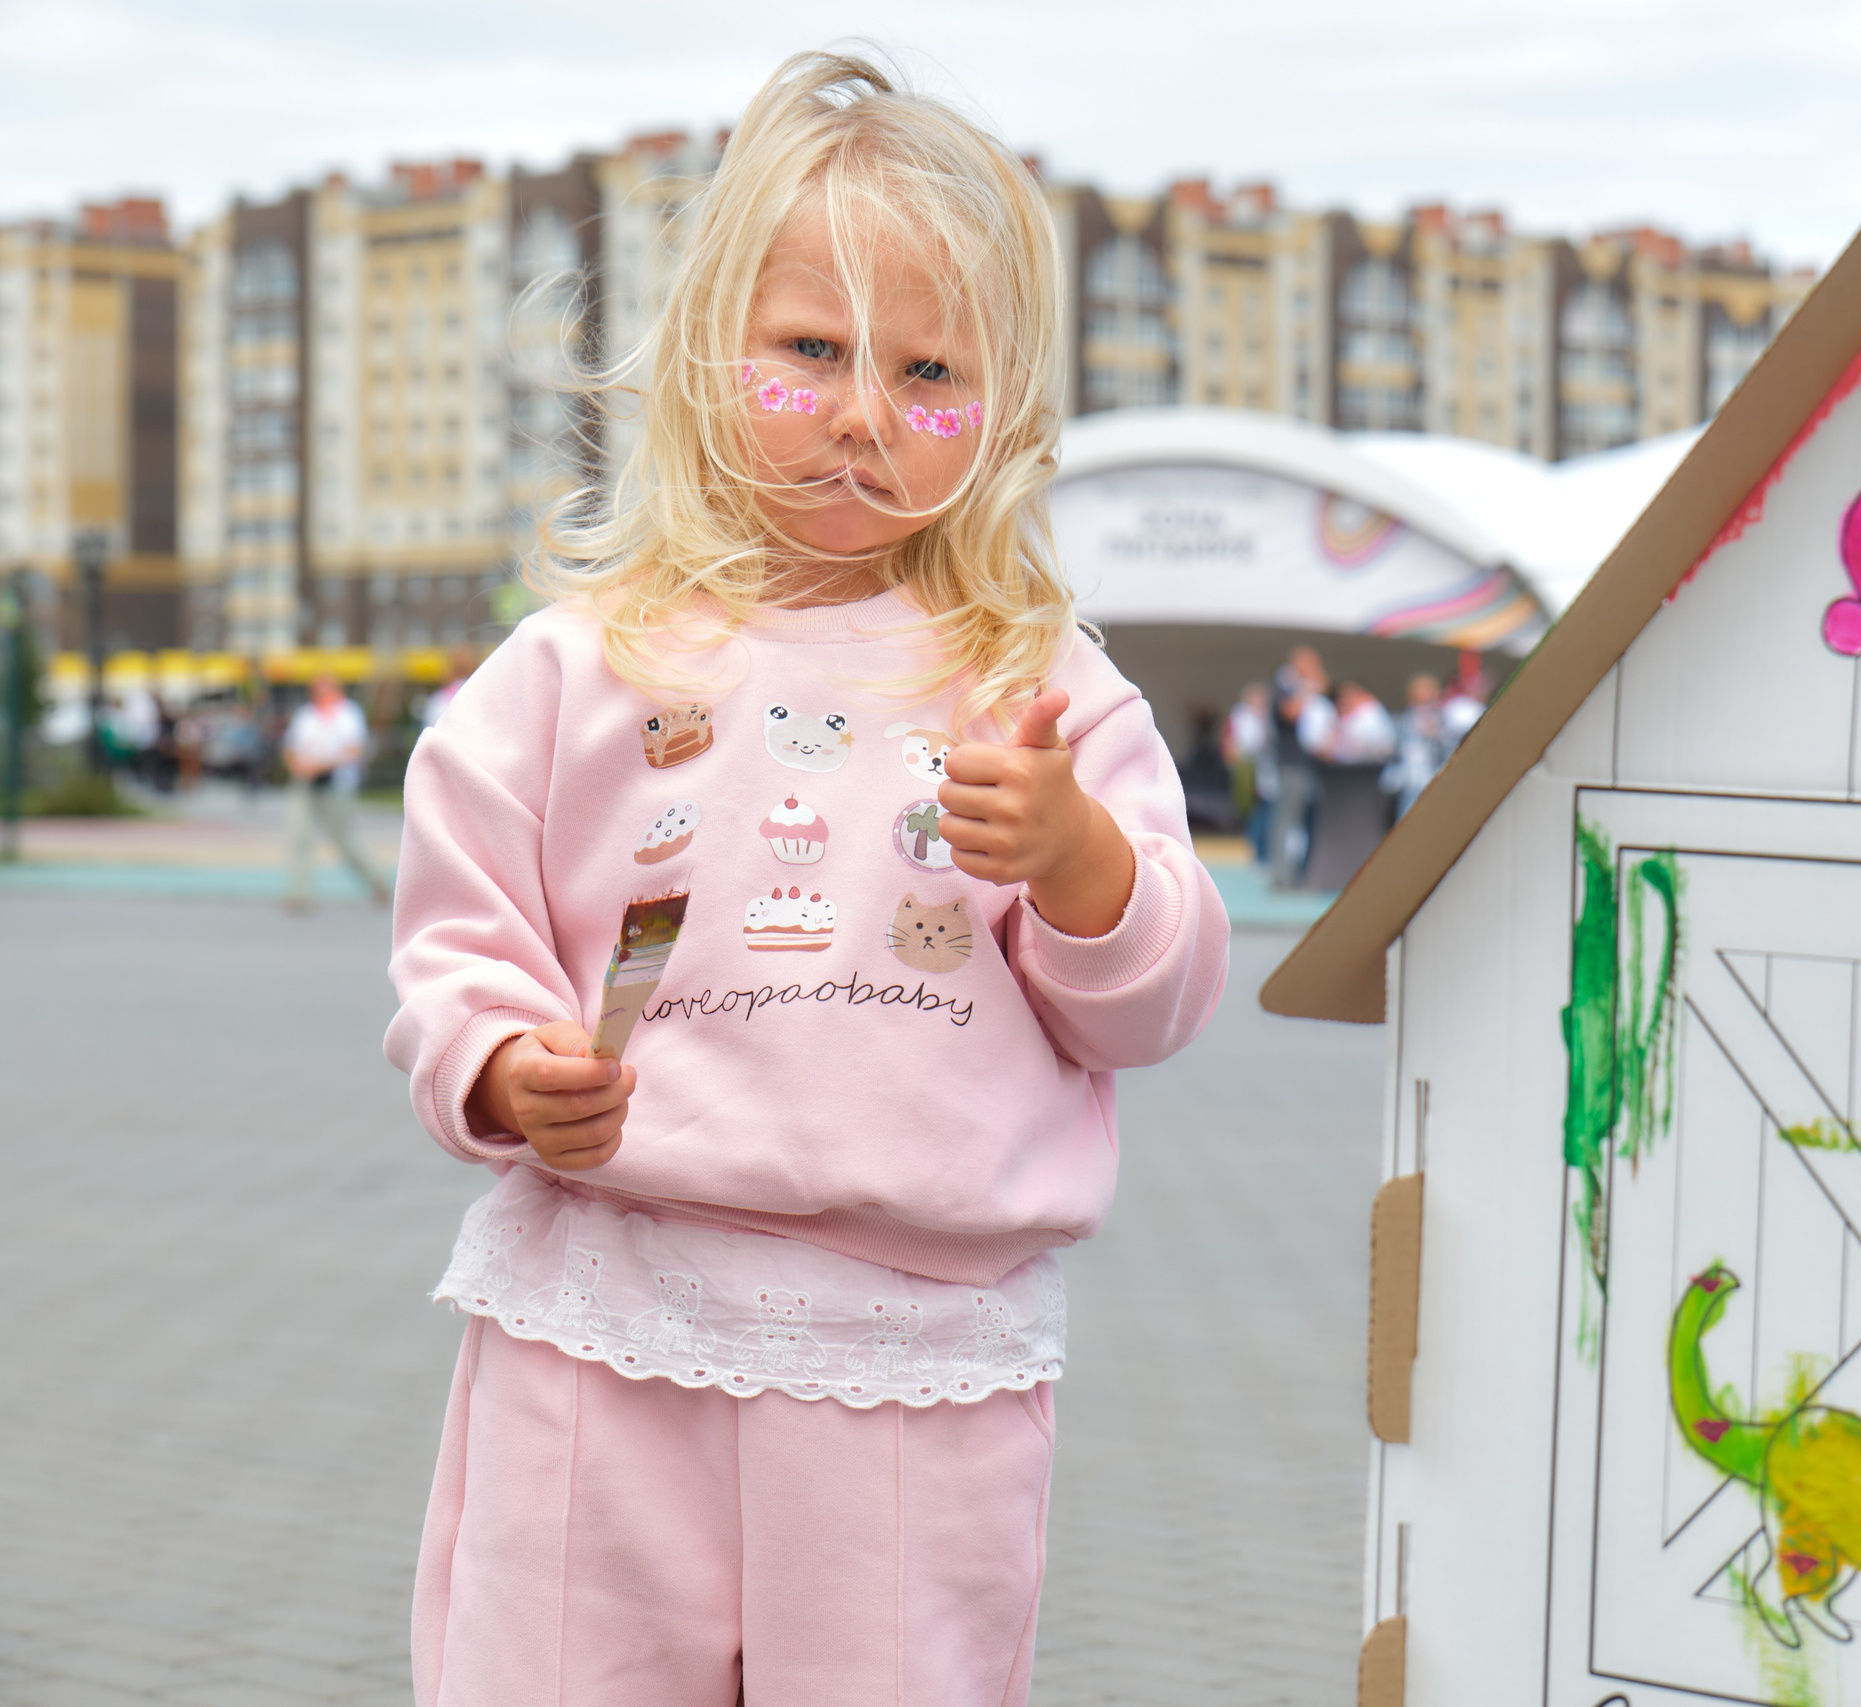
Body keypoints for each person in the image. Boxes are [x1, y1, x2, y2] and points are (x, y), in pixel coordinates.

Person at [383, 54, 1230, 1705]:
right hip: (599, 1326)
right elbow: (457, 930)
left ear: (1003, 417)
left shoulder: (1032, 685)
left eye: (929, 374)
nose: (862, 413)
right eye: (812, 352)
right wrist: (494, 1062)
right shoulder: (579, 667)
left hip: (910, 1362)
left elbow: (1155, 998)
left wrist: (1078, 864)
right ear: (715, 352)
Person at [283, 675, 390, 911]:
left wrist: (320, 765)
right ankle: (299, 893)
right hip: (306, 784)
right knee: (299, 837)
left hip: (336, 785)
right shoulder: (306, 714)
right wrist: (298, 765)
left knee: (345, 839)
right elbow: (291, 746)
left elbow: (354, 750)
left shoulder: (348, 713)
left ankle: (377, 882)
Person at [1267, 644, 1331, 887]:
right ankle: (1282, 874)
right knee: (1286, 819)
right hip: (1291, 764)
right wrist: (1307, 689)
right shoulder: (1284, 686)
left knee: (1306, 821)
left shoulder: (1307, 690)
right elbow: (1290, 713)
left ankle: (1302, 871)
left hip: (1312, 765)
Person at [1221, 679, 1276, 866]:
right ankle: (1256, 850)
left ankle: (1264, 851)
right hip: (1247, 767)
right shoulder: (1240, 715)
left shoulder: (1268, 716)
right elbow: (1231, 742)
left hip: (1265, 768)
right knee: (1250, 809)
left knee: (1266, 809)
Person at [1382, 672, 1448, 821]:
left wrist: (1436, 735)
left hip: (1436, 781)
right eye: (1418, 700)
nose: (1422, 706)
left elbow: (1450, 750)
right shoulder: (1403, 722)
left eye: (1427, 701)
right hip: (1409, 783)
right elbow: (1392, 748)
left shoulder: (1444, 721)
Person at [1323, 681, 1398, 765]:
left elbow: (1364, 745)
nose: (1344, 700)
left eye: (1349, 696)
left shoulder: (1370, 714)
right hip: (1346, 767)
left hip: (1369, 767)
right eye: (1341, 697)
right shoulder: (1341, 716)